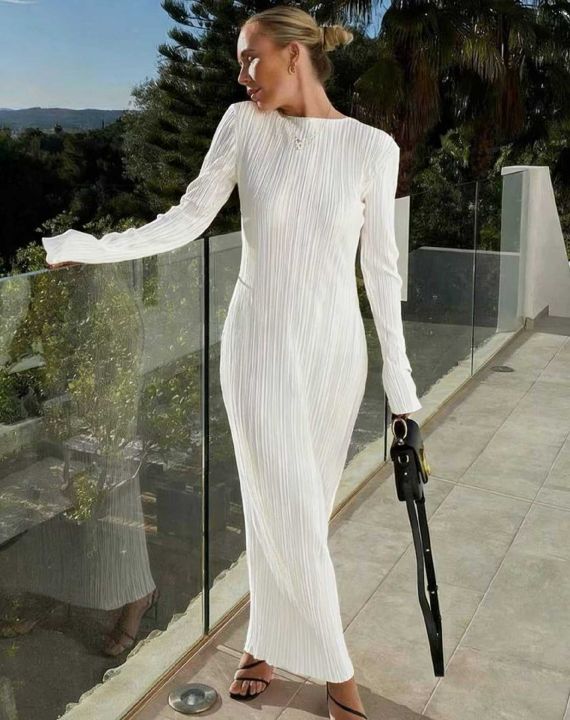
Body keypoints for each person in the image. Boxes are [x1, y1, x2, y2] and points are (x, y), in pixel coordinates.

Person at [43, 6, 422, 718]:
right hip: (258, 347)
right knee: (285, 506)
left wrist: (400, 385)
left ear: (293, 56)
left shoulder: (372, 147)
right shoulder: (243, 125)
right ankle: (338, 673)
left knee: (300, 514)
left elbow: (382, 270)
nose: (242, 75)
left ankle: (262, 643)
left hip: (335, 353)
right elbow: (190, 217)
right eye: (238, 63)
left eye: (252, 59)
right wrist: (93, 247)